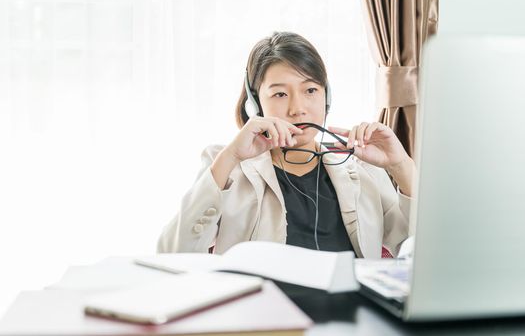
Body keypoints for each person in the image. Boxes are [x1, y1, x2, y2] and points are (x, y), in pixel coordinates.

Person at [158, 31, 415, 258]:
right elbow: (173, 253)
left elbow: (422, 249)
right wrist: (230, 157)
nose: (297, 109)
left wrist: (400, 164)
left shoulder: (361, 167)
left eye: (311, 90)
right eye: (280, 94)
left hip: (350, 309)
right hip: (261, 311)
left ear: (327, 96)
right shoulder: (228, 165)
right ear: (255, 104)